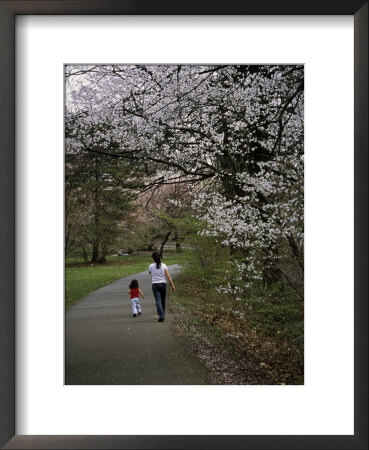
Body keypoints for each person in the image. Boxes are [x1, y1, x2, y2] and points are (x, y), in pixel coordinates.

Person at [149, 251, 175, 322]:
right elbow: (168, 276)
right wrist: (172, 285)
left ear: (153, 258)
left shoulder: (151, 266)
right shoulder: (164, 265)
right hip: (163, 284)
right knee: (163, 300)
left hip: (155, 285)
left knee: (158, 300)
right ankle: (162, 315)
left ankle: (161, 315)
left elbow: (150, 272)